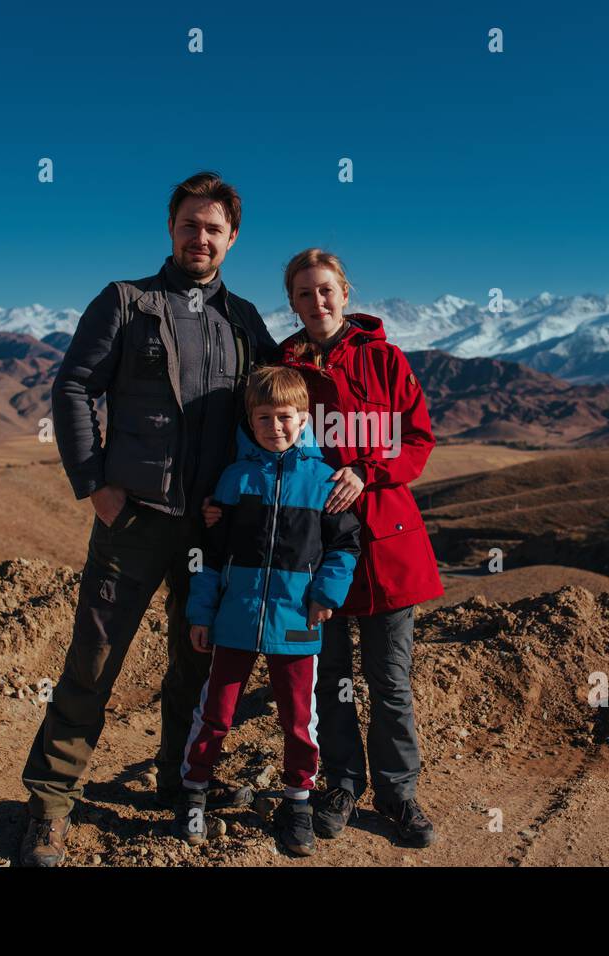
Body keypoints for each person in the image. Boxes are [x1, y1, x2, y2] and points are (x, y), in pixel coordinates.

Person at [18, 172, 278, 867]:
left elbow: (284, 402)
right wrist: (95, 486)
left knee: (196, 662)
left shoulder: (246, 322)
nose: (200, 237)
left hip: (211, 529)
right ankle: (49, 805)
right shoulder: (127, 303)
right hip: (134, 521)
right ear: (172, 230)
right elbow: (73, 385)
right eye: (189, 224)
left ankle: (179, 781)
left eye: (213, 227)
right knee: (93, 663)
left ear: (232, 237)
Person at [204, 248, 444, 847]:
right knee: (327, 675)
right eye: (305, 294)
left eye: (327, 290)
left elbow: (418, 439)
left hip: (386, 539)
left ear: (346, 292)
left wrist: (368, 469)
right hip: (305, 549)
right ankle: (339, 782)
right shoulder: (285, 365)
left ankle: (399, 794)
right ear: (292, 302)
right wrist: (227, 501)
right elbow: (256, 433)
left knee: (389, 679)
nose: (317, 302)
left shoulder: (386, 359)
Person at [178, 366, 360, 856]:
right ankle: (194, 791)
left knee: (299, 719)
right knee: (215, 713)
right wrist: (202, 613)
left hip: (298, 623)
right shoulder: (235, 480)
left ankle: (298, 801)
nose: (275, 427)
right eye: (264, 418)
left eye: (285, 417)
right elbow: (211, 556)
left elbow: (345, 546)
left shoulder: (325, 481)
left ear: (304, 418)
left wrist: (326, 596)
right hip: (234, 620)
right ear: (250, 420)